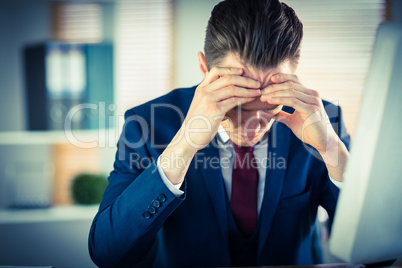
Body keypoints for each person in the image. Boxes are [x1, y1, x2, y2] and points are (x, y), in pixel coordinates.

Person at [88, 0, 351, 267]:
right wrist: (183, 145)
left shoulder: (324, 122)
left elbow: (378, 252)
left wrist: (332, 150)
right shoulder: (147, 125)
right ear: (205, 69)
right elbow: (108, 254)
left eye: (270, 105)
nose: (253, 126)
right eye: (237, 103)